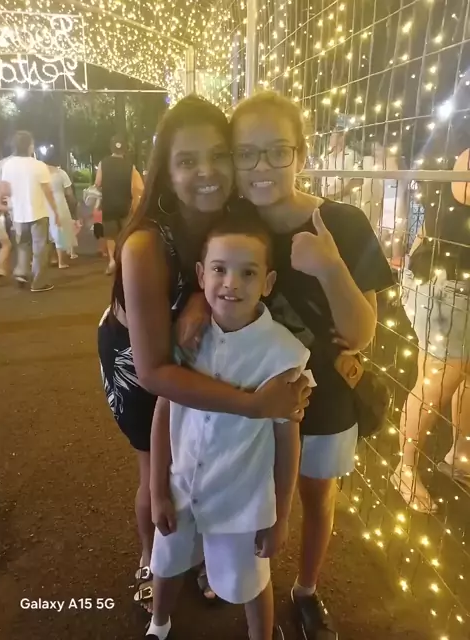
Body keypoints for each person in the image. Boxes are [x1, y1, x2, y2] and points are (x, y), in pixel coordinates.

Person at [97, 95, 311, 615]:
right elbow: (154, 372)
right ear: (166, 172)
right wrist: (255, 405)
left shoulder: (234, 214)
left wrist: (197, 298)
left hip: (203, 348)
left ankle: (202, 549)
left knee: (207, 451)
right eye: (187, 161)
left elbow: (223, 272)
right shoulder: (145, 244)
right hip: (139, 358)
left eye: (218, 155)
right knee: (159, 467)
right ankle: (154, 560)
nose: (207, 172)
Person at [226, 92, 393, 638]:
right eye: (247, 153)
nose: (262, 166)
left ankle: (306, 589)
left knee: (317, 496)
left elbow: (362, 332)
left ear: (301, 153)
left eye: (278, 151)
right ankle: (249, 588)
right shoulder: (229, 223)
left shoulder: (341, 222)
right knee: (251, 493)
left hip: (325, 401)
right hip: (250, 397)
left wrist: (330, 266)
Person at [149, 213, 314, 640]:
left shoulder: (284, 354)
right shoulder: (187, 336)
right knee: (166, 563)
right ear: (201, 274)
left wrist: (280, 516)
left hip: (242, 499)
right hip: (181, 484)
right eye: (219, 269)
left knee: (251, 580)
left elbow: (287, 439)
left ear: (268, 282)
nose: (231, 284)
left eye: (248, 273)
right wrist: (157, 489)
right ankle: (158, 624)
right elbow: (164, 408)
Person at [395, 148, 470, 511]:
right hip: (448, 289)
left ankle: (461, 456)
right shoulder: (463, 153)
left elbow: (430, 224)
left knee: (462, 375)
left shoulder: (453, 146)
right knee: (435, 384)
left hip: (446, 283)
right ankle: (405, 469)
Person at [0, 131, 60, 292]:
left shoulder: (7, 165)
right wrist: (56, 211)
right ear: (30, 146)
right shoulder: (39, 165)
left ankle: (21, 271)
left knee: (23, 245)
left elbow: (3, 188)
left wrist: (1, 204)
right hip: (38, 212)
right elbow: (48, 192)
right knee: (40, 248)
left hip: (17, 213)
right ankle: (38, 282)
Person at [95, 136, 144, 275]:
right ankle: (125, 261)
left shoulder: (103, 163)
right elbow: (138, 187)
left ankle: (112, 261)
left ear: (111, 148)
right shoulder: (130, 166)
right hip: (125, 206)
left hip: (108, 205)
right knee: (126, 235)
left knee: (110, 236)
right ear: (124, 149)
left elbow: (98, 183)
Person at [45, 148, 78, 269]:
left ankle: (50, 258)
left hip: (44, 203)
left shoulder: (41, 173)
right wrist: (74, 203)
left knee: (47, 230)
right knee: (60, 230)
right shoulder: (61, 173)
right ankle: (61, 261)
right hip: (59, 203)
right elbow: (69, 192)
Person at [321, 118, 363, 206]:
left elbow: (357, 181)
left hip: (344, 204)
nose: (330, 138)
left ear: (342, 138)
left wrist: (336, 196)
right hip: (326, 203)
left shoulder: (351, 155)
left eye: (333, 135)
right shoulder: (327, 158)